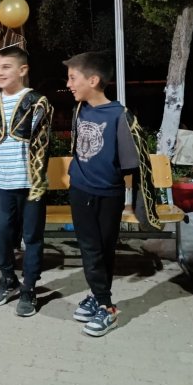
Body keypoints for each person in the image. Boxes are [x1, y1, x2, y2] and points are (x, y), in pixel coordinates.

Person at [64, 51, 160, 337]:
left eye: (73, 78)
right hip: (80, 191)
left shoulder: (120, 115)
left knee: (103, 249)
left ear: (93, 80)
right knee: (90, 249)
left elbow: (133, 162)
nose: (68, 84)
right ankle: (103, 301)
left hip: (109, 195)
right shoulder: (79, 110)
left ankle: (104, 305)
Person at [0, 46, 53, 317]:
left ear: (22, 70)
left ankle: (29, 287)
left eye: (6, 67)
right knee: (0, 234)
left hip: (31, 183)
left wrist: (38, 181)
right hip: (2, 183)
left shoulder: (37, 102)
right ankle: (8, 279)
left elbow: (42, 146)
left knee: (32, 237)